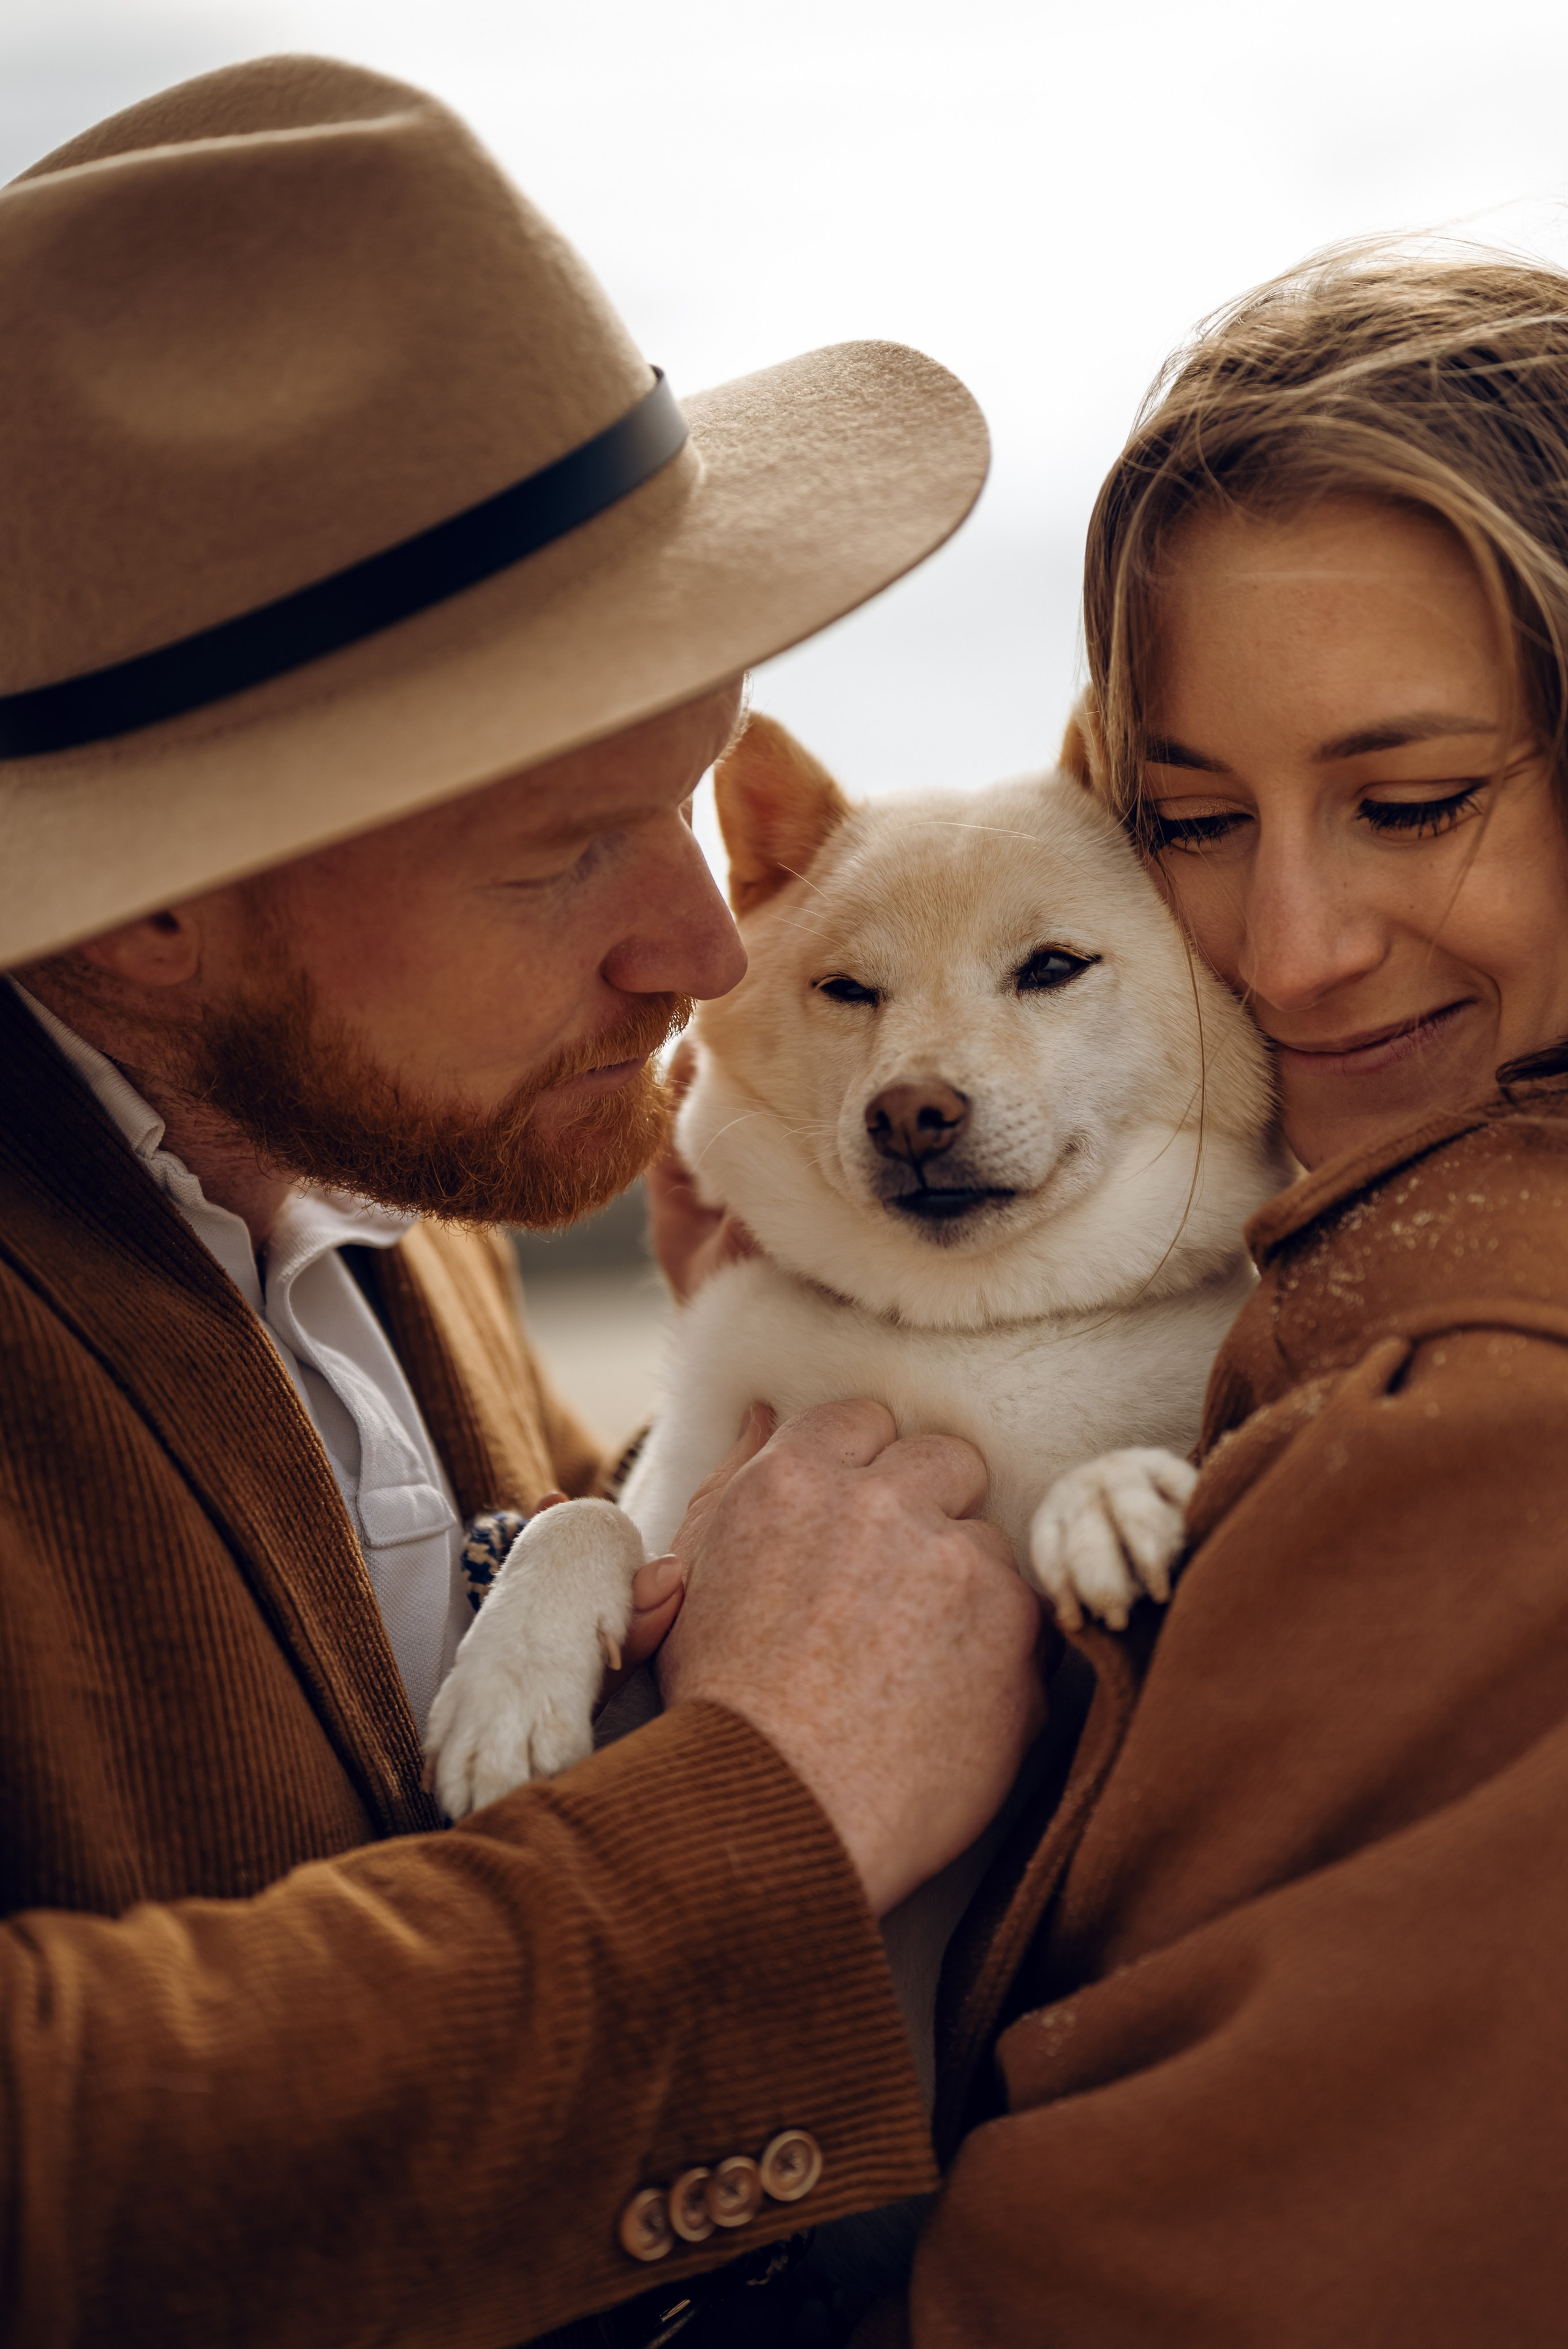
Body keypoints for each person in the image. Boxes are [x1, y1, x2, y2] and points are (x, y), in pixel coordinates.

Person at [0, 55, 1049, 2348]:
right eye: (565, 850)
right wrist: (756, 1822)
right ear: (134, 919)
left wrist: (689, 1460)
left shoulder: (394, 1170)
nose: (704, 946)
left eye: (694, 785)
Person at [859, 246, 1568, 2345]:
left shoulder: (1474, 1407)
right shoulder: (1346, 1262)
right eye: (1181, 820)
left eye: (1413, 803)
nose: (1287, 942)